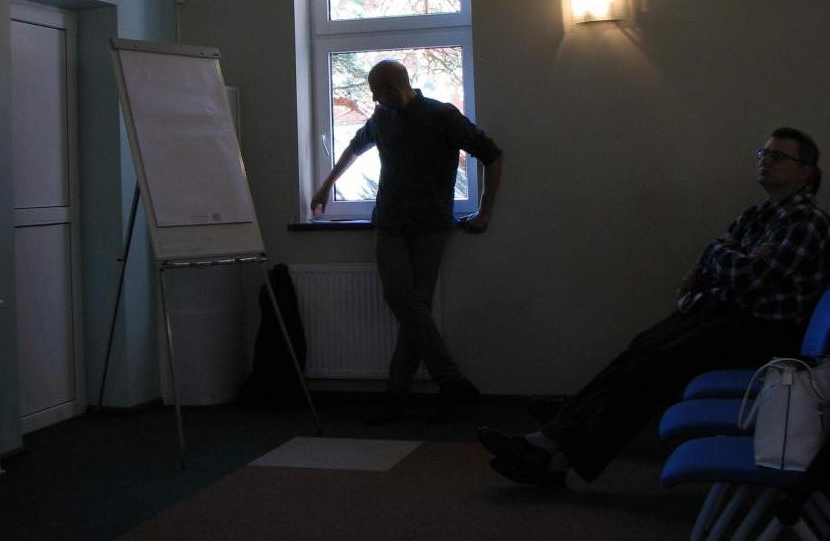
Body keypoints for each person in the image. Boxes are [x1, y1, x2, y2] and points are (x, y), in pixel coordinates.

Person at [479, 127, 830, 486]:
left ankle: (556, 452)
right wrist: (727, 255)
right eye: (763, 154)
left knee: (655, 365)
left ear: (805, 172)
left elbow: (752, 277)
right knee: (643, 347)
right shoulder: (761, 214)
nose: (766, 161)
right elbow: (713, 259)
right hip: (725, 312)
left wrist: (724, 254)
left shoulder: (806, 221)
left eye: (778, 157)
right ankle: (557, 434)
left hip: (764, 334)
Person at [311, 59, 503, 424]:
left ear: (396, 88)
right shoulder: (381, 117)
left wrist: (484, 212)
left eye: (378, 92)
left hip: (431, 225)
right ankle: (452, 381)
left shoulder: (442, 116)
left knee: (416, 308)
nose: (374, 100)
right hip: (389, 223)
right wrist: (324, 188)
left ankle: (395, 397)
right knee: (402, 298)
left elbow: (492, 156)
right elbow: (354, 148)